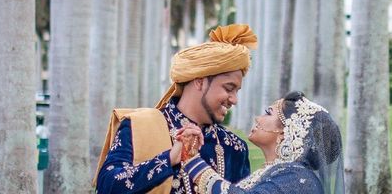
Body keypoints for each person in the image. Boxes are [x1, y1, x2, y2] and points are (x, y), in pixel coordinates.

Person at [94, 24, 258, 194]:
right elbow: (107, 185)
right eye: (229, 88)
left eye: (236, 91)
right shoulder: (140, 127)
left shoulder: (234, 147)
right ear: (200, 81)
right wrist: (170, 158)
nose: (234, 100)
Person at [178, 92, 345, 194]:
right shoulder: (281, 172)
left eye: (268, 113)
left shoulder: (298, 177)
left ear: (286, 131)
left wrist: (192, 160)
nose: (258, 118)